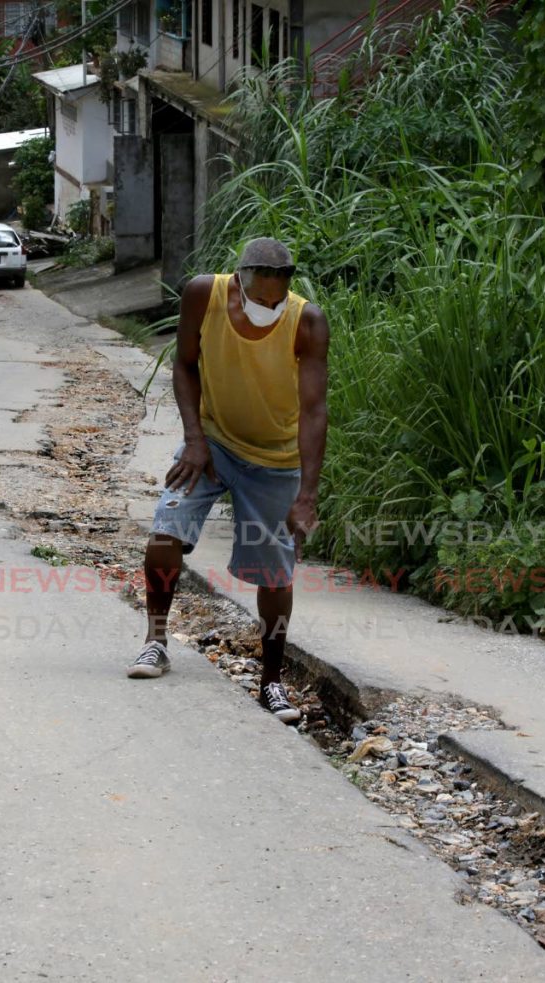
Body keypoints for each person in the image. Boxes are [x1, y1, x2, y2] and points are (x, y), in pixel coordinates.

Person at [127, 237, 330, 724]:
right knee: (164, 532)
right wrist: (194, 437)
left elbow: (314, 409)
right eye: (260, 299)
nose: (268, 307)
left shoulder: (307, 321)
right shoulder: (204, 294)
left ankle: (272, 683)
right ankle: (155, 642)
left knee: (277, 573)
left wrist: (307, 493)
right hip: (212, 442)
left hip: (275, 458)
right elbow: (183, 364)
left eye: (276, 300)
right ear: (239, 281)